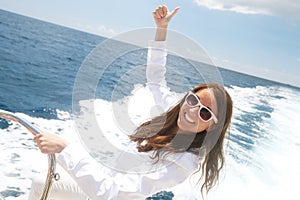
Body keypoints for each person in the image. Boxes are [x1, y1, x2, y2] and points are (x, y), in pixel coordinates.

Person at [31, 5, 233, 200]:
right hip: (100, 182)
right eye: (192, 100)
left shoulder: (183, 163)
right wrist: (161, 30)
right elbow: (155, 79)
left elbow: (110, 194)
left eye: (205, 112)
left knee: (44, 184)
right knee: (41, 183)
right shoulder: (174, 112)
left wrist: (65, 149)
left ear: (213, 125)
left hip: (109, 194)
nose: (192, 111)